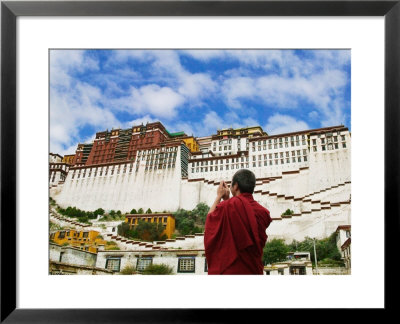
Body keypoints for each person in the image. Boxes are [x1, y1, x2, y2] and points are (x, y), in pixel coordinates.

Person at [204, 169, 272, 275]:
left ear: (235, 186)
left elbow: (210, 221)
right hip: (253, 271)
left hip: (231, 271)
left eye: (231, 185)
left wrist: (219, 196)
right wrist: (227, 201)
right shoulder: (263, 212)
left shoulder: (227, 206)